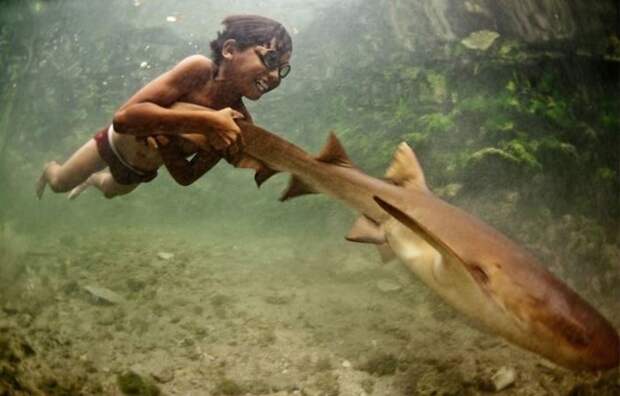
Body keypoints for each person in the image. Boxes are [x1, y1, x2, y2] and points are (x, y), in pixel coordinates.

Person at [36, 14, 292, 199]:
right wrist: (210, 121)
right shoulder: (199, 70)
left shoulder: (238, 123)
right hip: (113, 144)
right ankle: (49, 168)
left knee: (109, 190)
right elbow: (124, 120)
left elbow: (186, 177)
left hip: (140, 169)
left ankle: (93, 179)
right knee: (60, 183)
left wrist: (168, 143)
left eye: (283, 69)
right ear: (230, 49)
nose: (275, 76)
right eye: (270, 59)